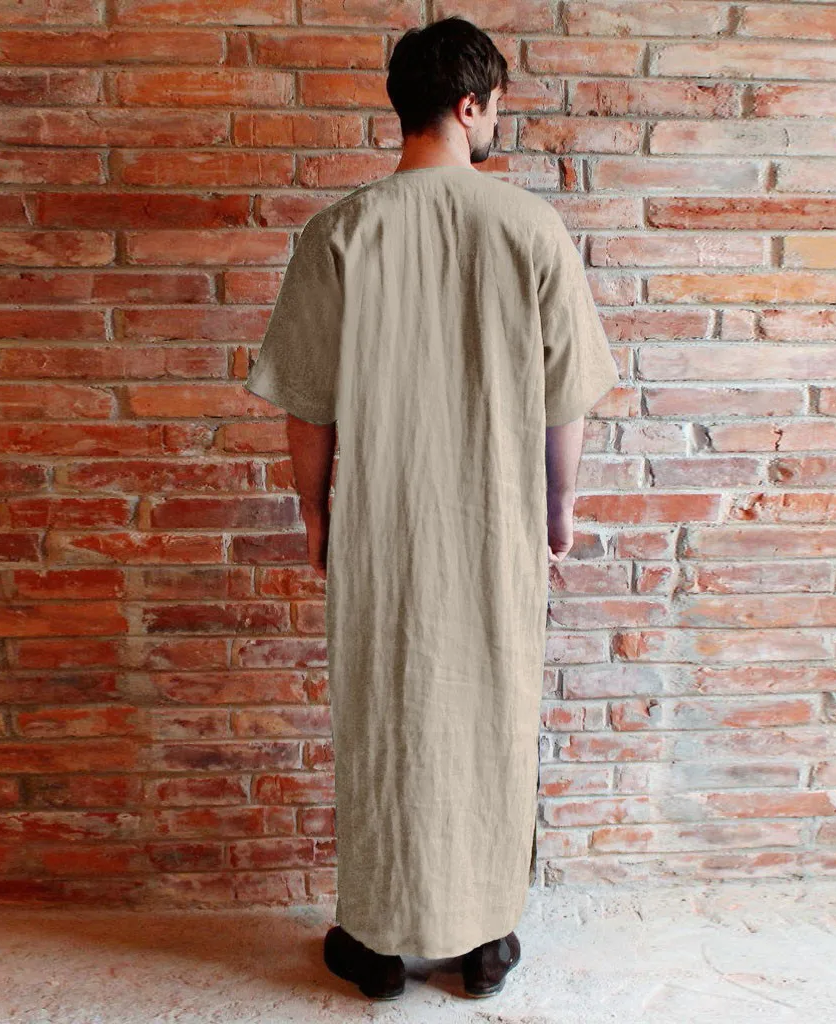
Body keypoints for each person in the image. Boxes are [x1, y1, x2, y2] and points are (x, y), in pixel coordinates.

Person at [244, 15, 621, 1001]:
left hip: (383, 530)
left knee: (385, 716)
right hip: (496, 524)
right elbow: (566, 402)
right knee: (492, 711)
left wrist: (316, 514)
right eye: (495, 107)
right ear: (469, 104)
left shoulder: (340, 233)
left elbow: (307, 405)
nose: (495, 122)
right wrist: (559, 510)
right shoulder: (531, 229)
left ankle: (375, 942)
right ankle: (483, 938)